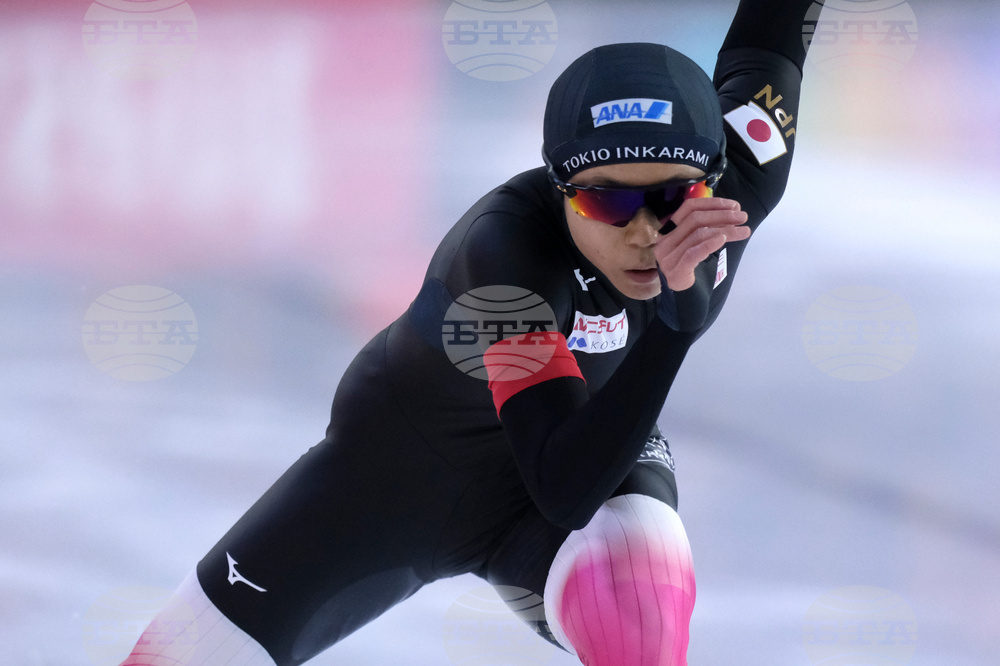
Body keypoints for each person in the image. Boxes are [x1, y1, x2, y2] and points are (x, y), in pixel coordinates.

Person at [120, 1, 819, 664]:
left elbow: (771, 36)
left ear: (717, 177)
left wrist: (673, 315)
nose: (643, 232)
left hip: (583, 448)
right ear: (559, 189)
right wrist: (674, 327)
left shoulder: (743, 181)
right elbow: (562, 487)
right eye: (607, 199)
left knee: (640, 613)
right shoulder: (504, 258)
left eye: (670, 197)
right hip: (401, 479)